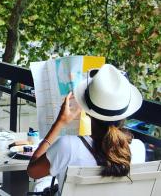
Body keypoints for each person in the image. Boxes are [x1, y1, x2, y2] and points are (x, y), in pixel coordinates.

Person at [27, 64, 145, 194]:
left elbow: (33, 172)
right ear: (125, 113)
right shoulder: (137, 149)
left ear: (87, 111)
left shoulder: (68, 147)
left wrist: (59, 123)